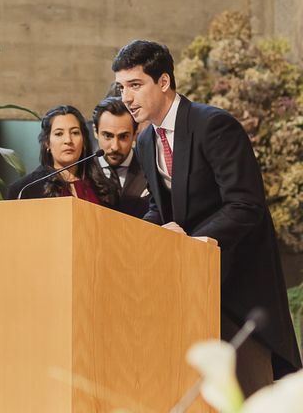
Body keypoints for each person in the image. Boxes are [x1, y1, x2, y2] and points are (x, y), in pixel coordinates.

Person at [111, 39, 302, 395]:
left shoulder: (213, 125)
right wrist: (136, 236)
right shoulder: (146, 141)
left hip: (236, 288)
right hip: (187, 287)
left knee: (247, 394)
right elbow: (162, 208)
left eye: (135, 85)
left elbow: (246, 204)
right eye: (122, 87)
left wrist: (192, 242)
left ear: (164, 82)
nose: (126, 97)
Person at [6, 105, 103, 203]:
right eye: (59, 134)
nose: (68, 140)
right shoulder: (25, 189)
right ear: (47, 143)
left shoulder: (102, 186)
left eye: (75, 133)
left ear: (84, 141)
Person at [90, 95, 150, 218]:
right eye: (107, 135)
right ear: (95, 131)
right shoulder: (83, 171)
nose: (115, 147)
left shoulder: (151, 167)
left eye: (123, 137)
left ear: (135, 134)